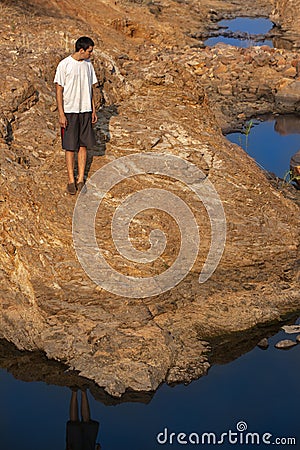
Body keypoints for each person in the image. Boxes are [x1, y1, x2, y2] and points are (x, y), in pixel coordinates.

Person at [54, 36, 98, 195]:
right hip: (70, 111)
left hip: (85, 110)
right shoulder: (64, 65)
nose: (91, 54)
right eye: (89, 51)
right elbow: (59, 89)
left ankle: (80, 179)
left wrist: (93, 109)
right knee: (70, 146)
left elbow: (91, 89)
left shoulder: (88, 65)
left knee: (83, 145)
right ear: (81, 50)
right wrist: (61, 113)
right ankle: (71, 180)